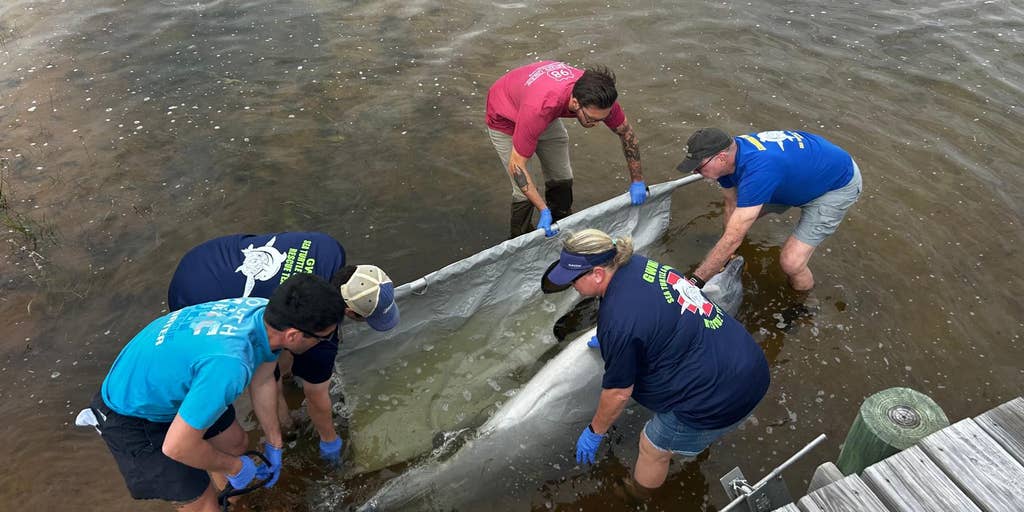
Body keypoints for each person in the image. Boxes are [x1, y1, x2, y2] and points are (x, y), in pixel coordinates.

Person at [91, 273, 347, 511]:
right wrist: (235, 467)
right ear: (293, 335)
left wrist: (274, 443)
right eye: (322, 338)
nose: (324, 343)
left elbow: (264, 379)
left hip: (178, 379)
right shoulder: (230, 366)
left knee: (235, 443)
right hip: (130, 413)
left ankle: (237, 504)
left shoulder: (260, 311)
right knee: (203, 503)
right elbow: (176, 446)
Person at [541, 229, 769, 491]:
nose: (571, 287)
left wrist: (594, 432)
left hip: (721, 394)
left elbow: (617, 393)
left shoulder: (619, 321)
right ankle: (696, 442)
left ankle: (640, 496)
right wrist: (615, 340)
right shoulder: (635, 263)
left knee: (652, 446)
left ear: (597, 274)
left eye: (573, 281)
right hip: (745, 358)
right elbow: (658, 311)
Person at [167, 232, 399, 464]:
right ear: (349, 312)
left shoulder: (328, 248)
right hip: (198, 303)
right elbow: (317, 398)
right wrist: (329, 440)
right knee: (252, 374)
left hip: (206, 259)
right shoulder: (321, 331)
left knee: (275, 353)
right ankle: (281, 428)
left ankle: (282, 399)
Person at [677, 128, 863, 291]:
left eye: (699, 167)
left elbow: (734, 236)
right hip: (795, 176)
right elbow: (730, 203)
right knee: (736, 224)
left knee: (791, 263)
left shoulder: (759, 171)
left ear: (721, 158)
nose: (695, 172)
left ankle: (803, 306)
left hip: (836, 185)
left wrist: (695, 281)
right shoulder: (729, 158)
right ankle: (727, 255)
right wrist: (727, 252)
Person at [486, 61, 647, 238]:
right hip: (505, 116)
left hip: (541, 106)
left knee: (562, 177)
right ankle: (519, 237)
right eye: (591, 118)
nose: (596, 124)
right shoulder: (539, 108)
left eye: (603, 118)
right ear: (575, 102)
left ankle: (560, 222)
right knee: (523, 193)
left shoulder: (602, 101)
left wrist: (637, 180)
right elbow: (517, 166)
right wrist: (543, 209)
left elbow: (627, 134)